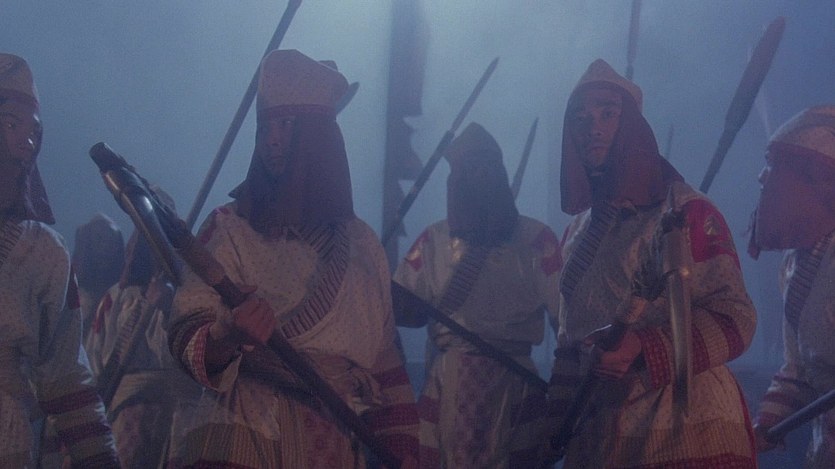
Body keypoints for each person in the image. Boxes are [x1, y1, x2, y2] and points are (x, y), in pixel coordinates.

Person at [167, 49, 419, 468]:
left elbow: (384, 360)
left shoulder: (362, 245)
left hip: (334, 439)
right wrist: (227, 336)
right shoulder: (229, 229)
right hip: (245, 434)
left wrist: (405, 450)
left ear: (319, 136)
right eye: (265, 127)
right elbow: (186, 333)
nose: (272, 140)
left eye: (286, 124)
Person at [547, 59, 758, 468]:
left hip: (686, 429)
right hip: (601, 436)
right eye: (581, 118)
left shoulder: (686, 210)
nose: (593, 128)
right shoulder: (575, 234)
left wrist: (645, 347)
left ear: (631, 125)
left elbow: (737, 318)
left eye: (608, 114)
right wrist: (553, 426)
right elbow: (569, 343)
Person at [392, 122, 561, 468]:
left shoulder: (535, 240)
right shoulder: (434, 241)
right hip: (449, 382)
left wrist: (563, 397)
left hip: (515, 385)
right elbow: (402, 311)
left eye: (485, 167)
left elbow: (566, 320)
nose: (477, 177)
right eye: (467, 169)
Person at [0, 53, 119, 467]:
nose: (26, 143)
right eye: (11, 125)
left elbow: (65, 376)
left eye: (34, 131)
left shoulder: (44, 253)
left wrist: (99, 459)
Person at [750, 105, 835, 467]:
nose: (762, 178)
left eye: (775, 166)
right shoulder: (793, 264)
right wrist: (769, 421)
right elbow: (799, 368)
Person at [86, 208, 202, 468]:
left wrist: (167, 308)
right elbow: (96, 359)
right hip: (125, 412)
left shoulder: (187, 298)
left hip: (176, 417)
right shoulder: (114, 298)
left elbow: (185, 358)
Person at [72, 212, 125, 347]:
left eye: (112, 241)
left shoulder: (122, 298)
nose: (107, 247)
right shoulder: (71, 296)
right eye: (99, 239)